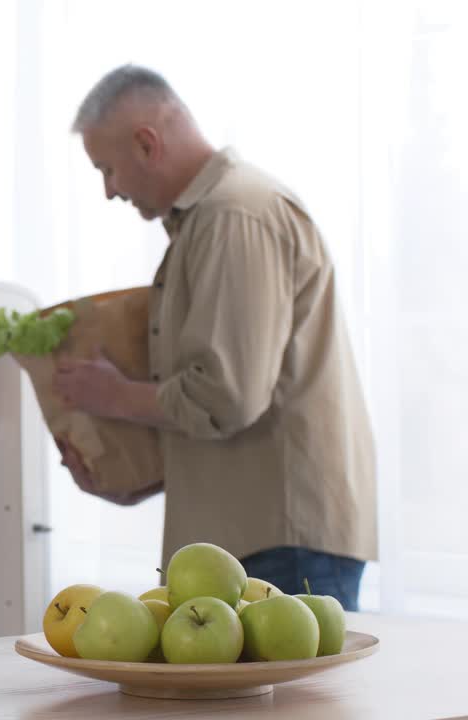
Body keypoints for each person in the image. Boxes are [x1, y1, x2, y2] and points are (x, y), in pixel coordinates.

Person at [53, 65, 376, 610]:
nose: (109, 191)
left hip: (281, 546)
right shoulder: (216, 218)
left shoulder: (234, 216)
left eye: (107, 169)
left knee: (292, 700)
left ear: (147, 142)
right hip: (261, 536)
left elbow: (226, 395)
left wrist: (111, 397)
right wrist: (140, 480)